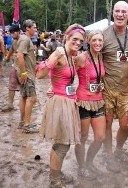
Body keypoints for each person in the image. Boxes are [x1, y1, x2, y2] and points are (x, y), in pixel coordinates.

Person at [36, 24, 85, 188]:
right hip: (60, 103)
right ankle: (55, 181)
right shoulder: (60, 53)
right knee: (62, 144)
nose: (78, 43)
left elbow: (63, 77)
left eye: (80, 41)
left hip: (68, 102)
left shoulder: (73, 55)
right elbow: (39, 75)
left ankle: (55, 174)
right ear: (66, 37)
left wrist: (54, 86)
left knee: (61, 143)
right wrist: (52, 59)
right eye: (75, 39)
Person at [102, 1, 128, 173]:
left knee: (125, 126)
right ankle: (109, 155)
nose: (120, 14)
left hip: (127, 90)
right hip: (107, 89)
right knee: (107, 124)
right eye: (117, 11)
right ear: (112, 13)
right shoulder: (103, 35)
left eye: (123, 11)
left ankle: (118, 150)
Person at [74, 30, 106, 179]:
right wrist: (56, 88)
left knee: (100, 137)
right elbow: (68, 73)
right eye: (94, 40)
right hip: (83, 102)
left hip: (98, 100)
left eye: (100, 40)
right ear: (88, 41)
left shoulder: (101, 56)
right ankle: (81, 167)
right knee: (83, 137)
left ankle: (89, 162)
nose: (97, 43)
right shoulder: (81, 58)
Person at [14, 19, 38, 133]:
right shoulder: (25, 39)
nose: (36, 29)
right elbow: (19, 56)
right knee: (32, 98)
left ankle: (23, 122)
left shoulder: (25, 39)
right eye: (34, 27)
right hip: (26, 74)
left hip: (25, 72)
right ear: (27, 28)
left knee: (24, 97)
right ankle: (27, 125)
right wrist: (24, 73)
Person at [1, 25, 21, 112]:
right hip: (16, 65)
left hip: (25, 66)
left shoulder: (24, 40)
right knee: (11, 84)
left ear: (18, 32)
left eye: (13, 33)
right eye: (11, 33)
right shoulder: (13, 41)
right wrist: (7, 58)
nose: (12, 35)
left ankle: (33, 101)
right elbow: (12, 50)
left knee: (27, 85)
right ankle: (10, 104)